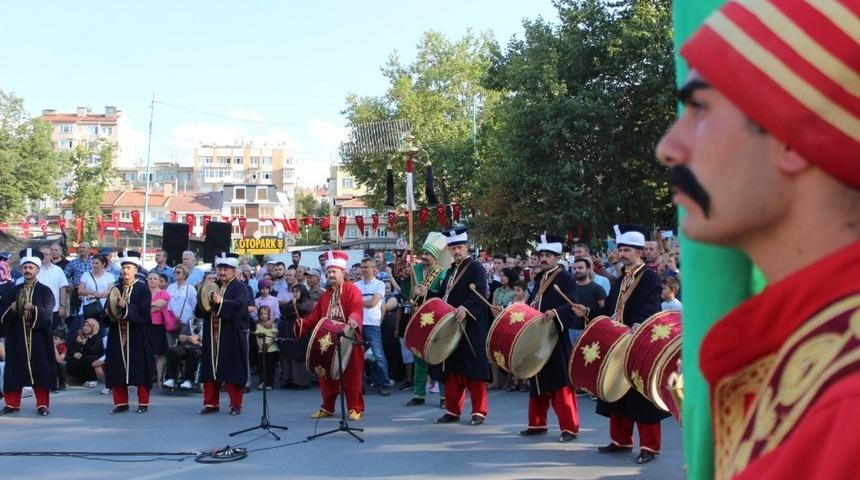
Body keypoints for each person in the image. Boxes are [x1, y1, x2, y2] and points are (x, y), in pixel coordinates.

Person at [655, 3, 860, 476]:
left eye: (699, 108)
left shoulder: (847, 406)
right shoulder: (814, 355)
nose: (667, 147)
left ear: (792, 135)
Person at [590, 225, 666, 464]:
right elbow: (609, 309)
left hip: (639, 341)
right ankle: (621, 441)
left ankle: (649, 447)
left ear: (639, 252)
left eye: (627, 250)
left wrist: (638, 324)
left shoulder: (650, 277)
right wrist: (588, 312)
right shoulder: (621, 278)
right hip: (617, 343)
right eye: (620, 249)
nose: (621, 253)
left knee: (641, 397)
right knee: (616, 393)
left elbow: (652, 305)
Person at [518, 234, 581, 442]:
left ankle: (569, 428)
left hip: (555, 337)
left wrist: (556, 313)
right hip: (538, 337)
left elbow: (572, 306)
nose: (543, 258)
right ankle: (537, 423)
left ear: (556, 257)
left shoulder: (565, 278)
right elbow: (533, 305)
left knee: (560, 383)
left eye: (548, 255)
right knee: (537, 380)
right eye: (541, 254)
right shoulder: (538, 279)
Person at [431, 227, 492, 426]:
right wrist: (426, 295)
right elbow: (442, 297)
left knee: (473, 371)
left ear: (466, 247)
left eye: (459, 247)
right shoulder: (449, 271)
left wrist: (465, 308)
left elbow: (480, 294)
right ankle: (452, 410)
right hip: (451, 327)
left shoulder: (476, 268)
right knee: (452, 371)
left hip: (471, 326)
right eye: (453, 248)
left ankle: (478, 412)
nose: (456, 251)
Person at [299, 250, 365, 421]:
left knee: (351, 375)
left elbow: (357, 309)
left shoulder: (352, 291)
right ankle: (327, 407)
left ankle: (355, 408)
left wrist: (353, 320)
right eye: (328, 272)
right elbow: (314, 317)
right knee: (326, 376)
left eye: (333, 271)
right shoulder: (325, 296)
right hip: (328, 342)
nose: (330, 275)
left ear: (343, 272)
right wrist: (302, 325)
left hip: (349, 340)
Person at [0, 248, 55, 416]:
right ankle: (11, 404)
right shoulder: (12, 290)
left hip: (38, 337)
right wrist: (12, 309)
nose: (27, 270)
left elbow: (48, 315)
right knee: (13, 369)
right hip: (17, 337)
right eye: (25, 267)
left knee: (40, 370)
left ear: (37, 269)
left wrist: (34, 309)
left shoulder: (45, 291)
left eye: (31, 267)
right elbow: (2, 317)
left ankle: (42, 404)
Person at [403, 232, 450, 407]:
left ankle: (445, 397)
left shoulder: (442, 273)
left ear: (435, 256)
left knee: (438, 357)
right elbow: (408, 286)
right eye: (423, 253)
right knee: (418, 357)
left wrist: (426, 293)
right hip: (417, 317)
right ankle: (419, 394)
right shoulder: (416, 269)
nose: (424, 256)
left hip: (434, 319)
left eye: (428, 254)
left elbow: (443, 296)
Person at [199, 252, 250, 416]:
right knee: (210, 369)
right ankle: (211, 403)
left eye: (225, 269)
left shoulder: (240, 287)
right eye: (219, 269)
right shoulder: (212, 285)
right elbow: (201, 309)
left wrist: (222, 302)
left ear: (233, 270)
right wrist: (202, 297)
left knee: (232, 369)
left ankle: (236, 404)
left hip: (231, 334)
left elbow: (239, 308)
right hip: (211, 334)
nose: (222, 272)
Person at [105, 250, 154, 414]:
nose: (125, 271)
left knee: (139, 368)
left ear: (136, 269)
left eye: (129, 267)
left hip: (137, 335)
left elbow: (144, 313)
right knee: (117, 367)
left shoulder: (142, 289)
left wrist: (127, 307)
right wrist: (109, 312)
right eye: (124, 267)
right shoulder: (115, 288)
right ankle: (121, 402)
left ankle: (143, 402)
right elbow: (108, 311)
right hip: (117, 333)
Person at [357, 257, 392, 396]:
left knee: (378, 355)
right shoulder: (355, 285)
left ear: (374, 269)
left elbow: (372, 303)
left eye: (367, 267)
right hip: (358, 323)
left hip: (372, 323)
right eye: (363, 267)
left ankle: (384, 383)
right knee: (358, 356)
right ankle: (360, 385)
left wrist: (358, 301)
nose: (364, 269)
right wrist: (363, 301)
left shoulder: (379, 284)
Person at [280, 284, 313, 389]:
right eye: (293, 292)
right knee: (289, 354)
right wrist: (292, 308)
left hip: (301, 333)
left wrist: (294, 308)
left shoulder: (307, 302)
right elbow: (284, 310)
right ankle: (290, 380)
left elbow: (303, 310)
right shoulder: (292, 302)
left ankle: (301, 382)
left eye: (297, 292)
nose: (294, 294)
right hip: (289, 332)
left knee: (299, 356)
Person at [76, 254, 114, 335]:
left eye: (96, 263)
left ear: (103, 264)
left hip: (103, 308)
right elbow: (80, 290)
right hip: (88, 307)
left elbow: (111, 290)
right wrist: (93, 292)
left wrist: (103, 294)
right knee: (86, 330)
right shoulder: (86, 274)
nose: (94, 265)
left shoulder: (109, 276)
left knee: (102, 331)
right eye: (92, 263)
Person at [162, 319, 202, 390]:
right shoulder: (191, 321)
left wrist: (199, 340)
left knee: (193, 354)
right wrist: (188, 338)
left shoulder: (209, 322)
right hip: (185, 346)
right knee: (173, 351)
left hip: (199, 347)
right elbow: (180, 337)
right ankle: (171, 379)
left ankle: (189, 380)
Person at [147, 272, 170, 386]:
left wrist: (146, 307)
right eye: (150, 278)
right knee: (146, 352)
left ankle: (159, 379)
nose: (152, 280)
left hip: (158, 325)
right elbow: (150, 307)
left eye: (155, 278)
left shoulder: (164, 293)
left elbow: (159, 306)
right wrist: (151, 305)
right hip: (145, 325)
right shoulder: (143, 293)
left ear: (159, 281)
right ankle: (146, 377)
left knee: (159, 354)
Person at [67, 318, 104, 388]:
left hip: (94, 357)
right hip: (82, 357)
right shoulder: (79, 336)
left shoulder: (97, 337)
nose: (85, 328)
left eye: (88, 326)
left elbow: (94, 351)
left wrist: (84, 343)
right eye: (84, 325)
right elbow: (71, 349)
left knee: (90, 359)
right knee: (71, 361)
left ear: (94, 327)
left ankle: (93, 379)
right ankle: (83, 379)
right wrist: (75, 353)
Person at [254, 305, 278, 390]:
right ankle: (262, 382)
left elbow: (274, 337)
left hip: (271, 350)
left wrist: (267, 345)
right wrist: (261, 346)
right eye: (261, 314)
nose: (263, 316)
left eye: (265, 314)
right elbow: (257, 337)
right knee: (262, 367)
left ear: (269, 315)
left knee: (270, 367)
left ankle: (269, 384)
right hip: (262, 350)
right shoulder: (258, 325)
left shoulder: (273, 324)